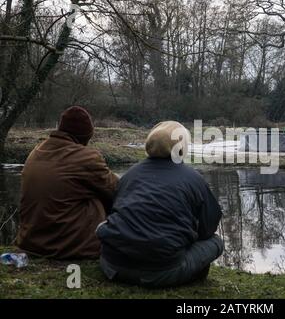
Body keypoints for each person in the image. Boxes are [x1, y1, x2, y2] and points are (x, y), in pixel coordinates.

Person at [97, 121, 224, 288]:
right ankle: (191, 275)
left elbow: (115, 211)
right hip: (161, 272)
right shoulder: (193, 178)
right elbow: (208, 228)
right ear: (182, 148)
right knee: (216, 242)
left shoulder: (130, 174)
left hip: (112, 266)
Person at [16, 106, 118, 260]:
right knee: (100, 195)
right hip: (68, 248)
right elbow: (116, 190)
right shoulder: (86, 157)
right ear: (85, 135)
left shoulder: (37, 150)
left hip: (31, 244)